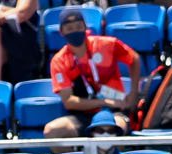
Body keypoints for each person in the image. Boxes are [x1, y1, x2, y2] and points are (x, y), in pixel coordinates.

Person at [42, 7, 142, 139]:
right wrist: (104, 102)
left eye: (78, 26)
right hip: (83, 115)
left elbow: (134, 59)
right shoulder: (59, 60)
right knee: (52, 131)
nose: (75, 31)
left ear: (85, 27)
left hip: (114, 112)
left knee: (116, 129)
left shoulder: (107, 44)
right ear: (61, 32)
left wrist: (133, 93)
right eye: (69, 28)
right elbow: (69, 101)